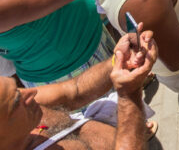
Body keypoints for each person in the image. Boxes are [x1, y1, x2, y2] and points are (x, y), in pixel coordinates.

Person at [0, 28, 158, 150]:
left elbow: (74, 91)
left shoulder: (28, 105)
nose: (31, 93)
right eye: (15, 102)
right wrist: (129, 95)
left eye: (18, 89)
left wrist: (119, 61)